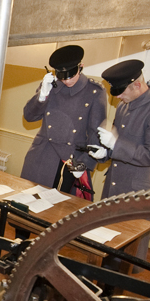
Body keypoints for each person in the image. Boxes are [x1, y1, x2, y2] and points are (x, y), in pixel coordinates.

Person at [21, 45, 107, 199]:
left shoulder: (94, 92)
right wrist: (42, 95)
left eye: (71, 75)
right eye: (62, 76)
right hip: (43, 156)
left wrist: (85, 164)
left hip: (71, 161)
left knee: (61, 212)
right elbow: (29, 116)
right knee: (31, 205)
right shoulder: (50, 86)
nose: (67, 81)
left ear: (81, 67)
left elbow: (96, 133)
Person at [90, 59, 150, 198]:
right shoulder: (123, 106)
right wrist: (105, 152)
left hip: (136, 192)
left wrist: (115, 144)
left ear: (137, 85)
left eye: (121, 92)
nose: (118, 96)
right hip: (113, 186)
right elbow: (121, 147)